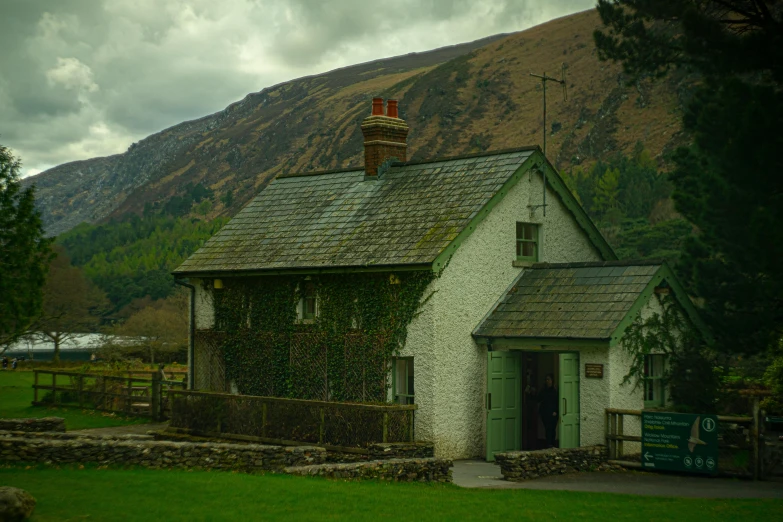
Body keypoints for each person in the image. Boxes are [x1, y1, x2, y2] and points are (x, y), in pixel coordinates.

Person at [536, 373, 559, 448]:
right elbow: (539, 399)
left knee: (552, 429)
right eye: (546, 379)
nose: (547, 381)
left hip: (553, 413)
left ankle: (552, 443)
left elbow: (557, 401)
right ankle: (549, 444)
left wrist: (556, 411)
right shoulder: (544, 390)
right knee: (548, 429)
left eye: (548, 379)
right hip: (545, 413)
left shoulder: (555, 391)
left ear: (552, 381)